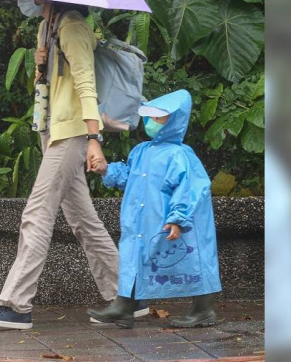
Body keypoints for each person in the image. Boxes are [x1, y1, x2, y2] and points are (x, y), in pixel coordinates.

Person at [0, 0, 146, 330]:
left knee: (37, 213)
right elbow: (50, 89)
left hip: (72, 133)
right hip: (52, 131)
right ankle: (129, 296)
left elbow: (86, 85)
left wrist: (94, 139)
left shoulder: (73, 28)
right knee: (84, 220)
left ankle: (16, 304)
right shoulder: (47, 28)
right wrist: (41, 66)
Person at [87, 90, 222, 329]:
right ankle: (124, 306)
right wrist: (107, 169)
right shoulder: (141, 150)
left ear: (174, 121)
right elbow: (129, 176)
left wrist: (178, 218)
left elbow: (189, 188)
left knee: (193, 258)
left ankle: (203, 309)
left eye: (159, 117)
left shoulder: (180, 154)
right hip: (142, 220)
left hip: (169, 220)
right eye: (150, 116)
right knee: (134, 257)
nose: (151, 121)